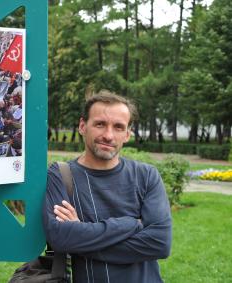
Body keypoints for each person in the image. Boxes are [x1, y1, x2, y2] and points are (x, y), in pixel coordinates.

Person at [43, 91, 172, 283]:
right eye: (100, 124)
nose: (108, 135)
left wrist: (81, 233)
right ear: (82, 126)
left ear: (127, 134)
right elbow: (60, 238)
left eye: (118, 127)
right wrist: (131, 224)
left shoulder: (146, 176)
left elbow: (159, 244)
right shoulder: (60, 175)